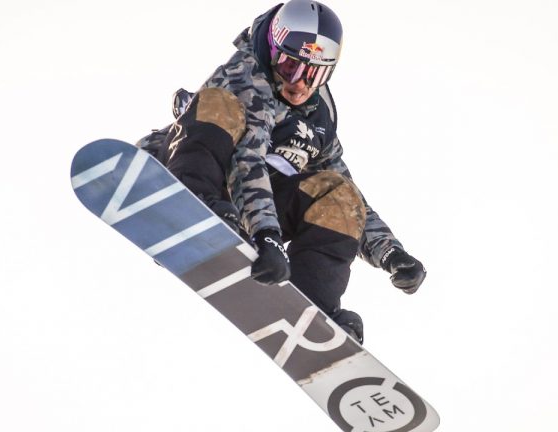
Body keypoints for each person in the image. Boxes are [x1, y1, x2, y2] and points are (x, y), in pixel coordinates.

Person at [137, 0, 426, 344]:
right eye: (290, 67)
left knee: (337, 194)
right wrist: (267, 236)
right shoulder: (248, 75)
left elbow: (349, 194)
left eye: (313, 73)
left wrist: (390, 252)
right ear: (273, 51)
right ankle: (191, 202)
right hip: (186, 169)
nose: (299, 83)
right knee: (220, 104)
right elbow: (248, 160)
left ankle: (311, 306)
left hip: (244, 212)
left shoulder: (318, 121)